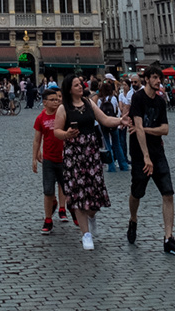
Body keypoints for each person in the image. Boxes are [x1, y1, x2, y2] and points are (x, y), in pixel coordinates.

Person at [126, 65, 175, 255]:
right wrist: (145, 156)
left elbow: (164, 129)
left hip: (158, 153)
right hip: (139, 153)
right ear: (147, 80)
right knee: (137, 192)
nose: (159, 81)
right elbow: (138, 125)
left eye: (160, 78)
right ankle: (133, 218)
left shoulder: (160, 102)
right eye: (155, 78)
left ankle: (169, 238)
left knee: (168, 193)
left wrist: (146, 130)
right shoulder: (138, 98)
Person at [56, 73, 119, 250]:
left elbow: (105, 120)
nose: (80, 86)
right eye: (76, 84)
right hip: (74, 155)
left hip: (91, 153)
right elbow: (56, 131)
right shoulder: (63, 108)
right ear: (69, 89)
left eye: (80, 84)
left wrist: (120, 120)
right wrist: (66, 134)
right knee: (78, 195)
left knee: (95, 196)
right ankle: (85, 235)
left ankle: (92, 216)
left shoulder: (89, 103)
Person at [33, 85, 68, 233]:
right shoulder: (41, 117)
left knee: (66, 187)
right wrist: (34, 156)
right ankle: (48, 220)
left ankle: (66, 209)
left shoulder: (63, 114)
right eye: (52, 100)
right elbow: (37, 139)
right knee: (48, 190)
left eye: (57, 99)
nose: (56, 102)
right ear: (44, 102)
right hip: (48, 158)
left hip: (64, 157)